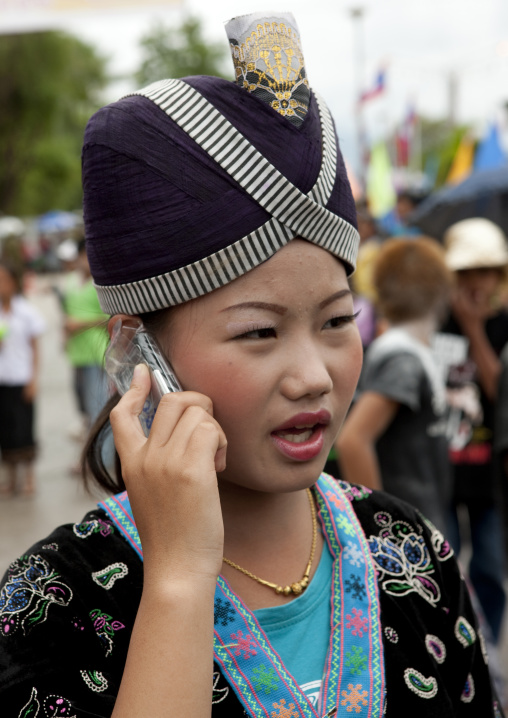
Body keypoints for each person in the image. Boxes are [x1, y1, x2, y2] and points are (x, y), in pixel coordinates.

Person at [0, 13, 502, 717]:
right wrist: (177, 582)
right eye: (260, 332)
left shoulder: (411, 553)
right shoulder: (51, 607)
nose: (313, 376)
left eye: (335, 321)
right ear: (136, 353)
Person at [336, 237, 454, 535]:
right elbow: (353, 440)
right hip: (406, 529)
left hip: (420, 519)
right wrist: (380, 531)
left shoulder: (404, 350)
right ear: (439, 292)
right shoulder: (403, 358)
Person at [434, 217, 508, 646]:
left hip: (489, 477)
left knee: (490, 567)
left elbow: (500, 390)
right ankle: (453, 649)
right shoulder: (437, 322)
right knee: (446, 570)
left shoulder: (502, 326)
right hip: (444, 470)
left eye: (486, 271)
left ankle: (489, 649)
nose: (477, 282)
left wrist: (476, 328)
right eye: (467, 272)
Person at [0, 261, 45, 496]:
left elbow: (35, 348)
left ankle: (29, 478)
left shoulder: (26, 312)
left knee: (24, 429)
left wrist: (33, 380)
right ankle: (11, 479)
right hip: (3, 381)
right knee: (5, 431)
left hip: (21, 378)